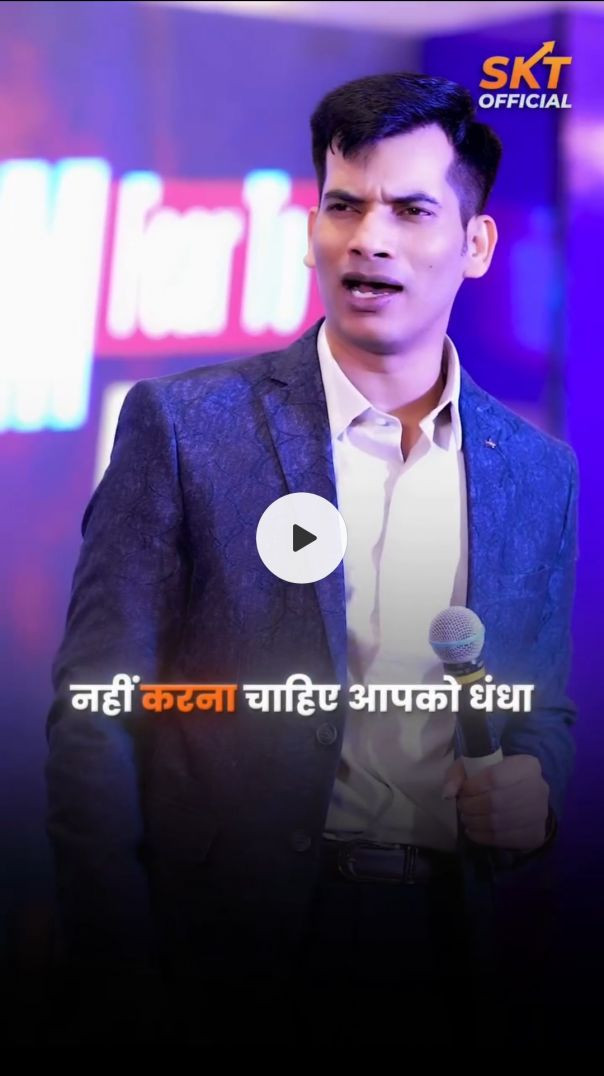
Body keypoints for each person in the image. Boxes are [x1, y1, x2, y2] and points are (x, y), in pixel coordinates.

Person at [46, 72, 578, 1043]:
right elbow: (96, 714)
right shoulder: (186, 428)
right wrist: (116, 973)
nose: (368, 238)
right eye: (343, 205)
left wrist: (533, 793)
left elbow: (540, 710)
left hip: (450, 948)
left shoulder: (539, 475)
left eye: (410, 210)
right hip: (225, 951)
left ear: (476, 244)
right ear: (312, 228)